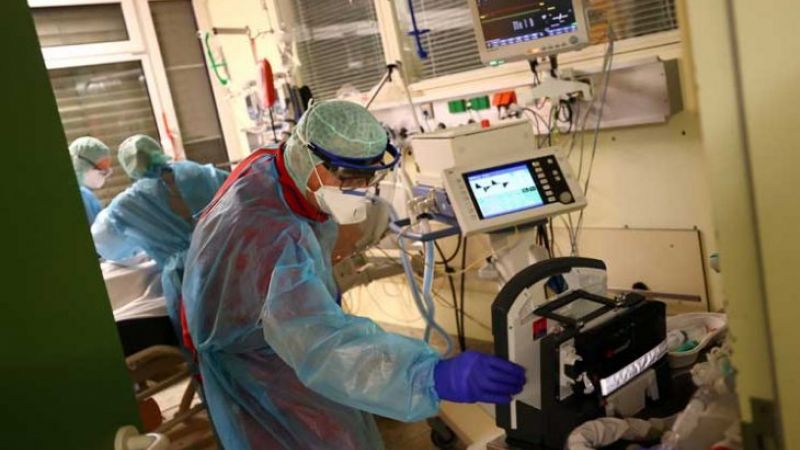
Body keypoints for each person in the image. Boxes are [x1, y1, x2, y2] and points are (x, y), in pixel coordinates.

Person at [181, 100, 526, 449]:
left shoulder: (279, 170)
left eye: (368, 177)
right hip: (264, 372)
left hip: (279, 349)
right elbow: (321, 344)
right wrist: (428, 376)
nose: (360, 188)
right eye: (348, 178)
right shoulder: (265, 235)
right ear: (308, 158)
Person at [92, 134, 229, 339]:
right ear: (157, 150)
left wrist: (143, 242)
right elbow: (240, 194)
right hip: (229, 257)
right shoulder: (199, 173)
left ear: (129, 167)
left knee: (208, 338)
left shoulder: (128, 204)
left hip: (186, 278)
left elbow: (107, 245)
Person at [68, 136, 113, 225]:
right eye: (103, 168)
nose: (107, 172)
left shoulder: (87, 196)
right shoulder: (84, 197)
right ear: (82, 165)